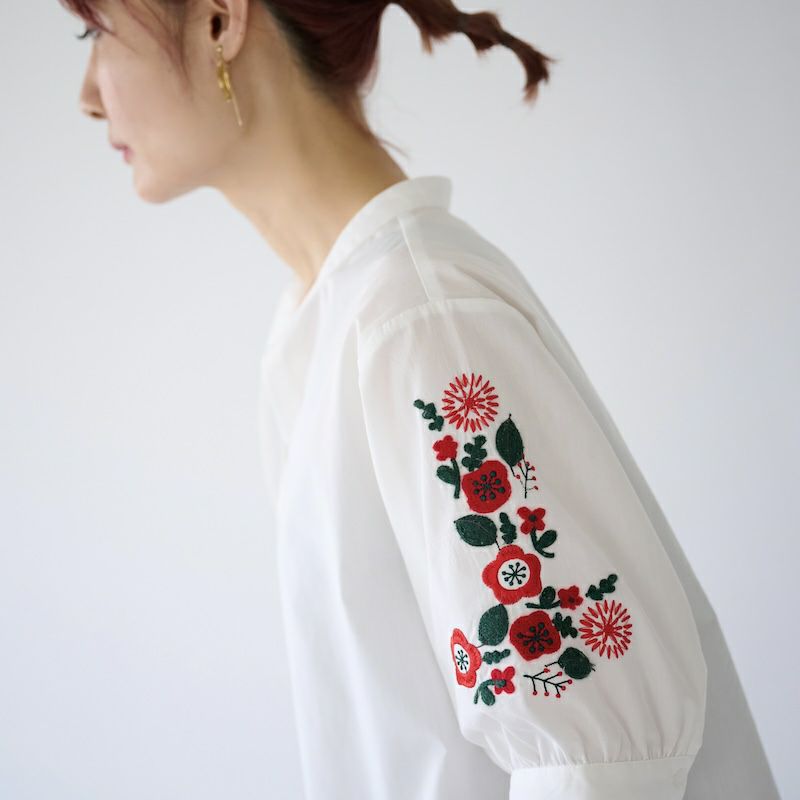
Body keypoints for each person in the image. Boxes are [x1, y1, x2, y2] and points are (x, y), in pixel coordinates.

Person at [63, 0, 781, 798]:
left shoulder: (415, 318)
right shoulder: (330, 324)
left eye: (96, 30)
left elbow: (596, 768)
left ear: (218, 20)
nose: (87, 94)